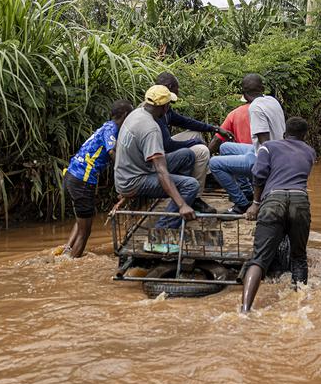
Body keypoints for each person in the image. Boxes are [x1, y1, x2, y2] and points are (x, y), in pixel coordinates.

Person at [240, 117, 316, 312]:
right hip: (300, 201)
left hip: (273, 201)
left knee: (259, 259)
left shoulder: (268, 147)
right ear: (304, 135)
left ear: (284, 132)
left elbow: (259, 175)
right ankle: (300, 307)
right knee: (299, 257)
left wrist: (255, 204)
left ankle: (245, 310)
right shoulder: (310, 152)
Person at [56, 99, 133, 258]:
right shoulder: (112, 129)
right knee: (86, 230)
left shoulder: (106, 126)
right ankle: (70, 264)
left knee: (81, 221)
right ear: (125, 115)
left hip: (72, 176)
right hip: (82, 181)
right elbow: (112, 153)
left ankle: (66, 254)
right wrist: (127, 174)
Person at [114, 85, 198, 229]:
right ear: (165, 107)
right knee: (191, 185)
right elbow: (161, 170)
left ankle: (176, 200)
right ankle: (162, 229)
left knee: (187, 155)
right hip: (134, 180)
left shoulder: (136, 112)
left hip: (132, 170)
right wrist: (182, 204)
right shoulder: (151, 129)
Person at [155, 72, 234, 213]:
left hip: (162, 147)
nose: (178, 93)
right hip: (156, 156)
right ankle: (195, 198)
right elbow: (167, 145)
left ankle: (206, 174)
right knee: (201, 149)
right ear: (169, 87)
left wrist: (214, 129)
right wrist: (192, 143)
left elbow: (185, 122)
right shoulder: (157, 110)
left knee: (194, 134)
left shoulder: (164, 107)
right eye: (177, 89)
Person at [210, 73, 286, 214]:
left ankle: (241, 203)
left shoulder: (254, 108)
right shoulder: (272, 100)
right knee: (225, 147)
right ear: (263, 88)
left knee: (214, 163)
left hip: (265, 159)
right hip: (277, 152)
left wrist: (261, 179)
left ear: (244, 95)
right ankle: (247, 192)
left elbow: (265, 146)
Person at [208, 100, 255, 205]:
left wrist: (205, 157)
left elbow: (217, 140)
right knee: (226, 148)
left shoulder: (235, 114)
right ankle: (247, 191)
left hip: (247, 164)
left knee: (216, 161)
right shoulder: (268, 110)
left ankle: (243, 198)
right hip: (266, 160)